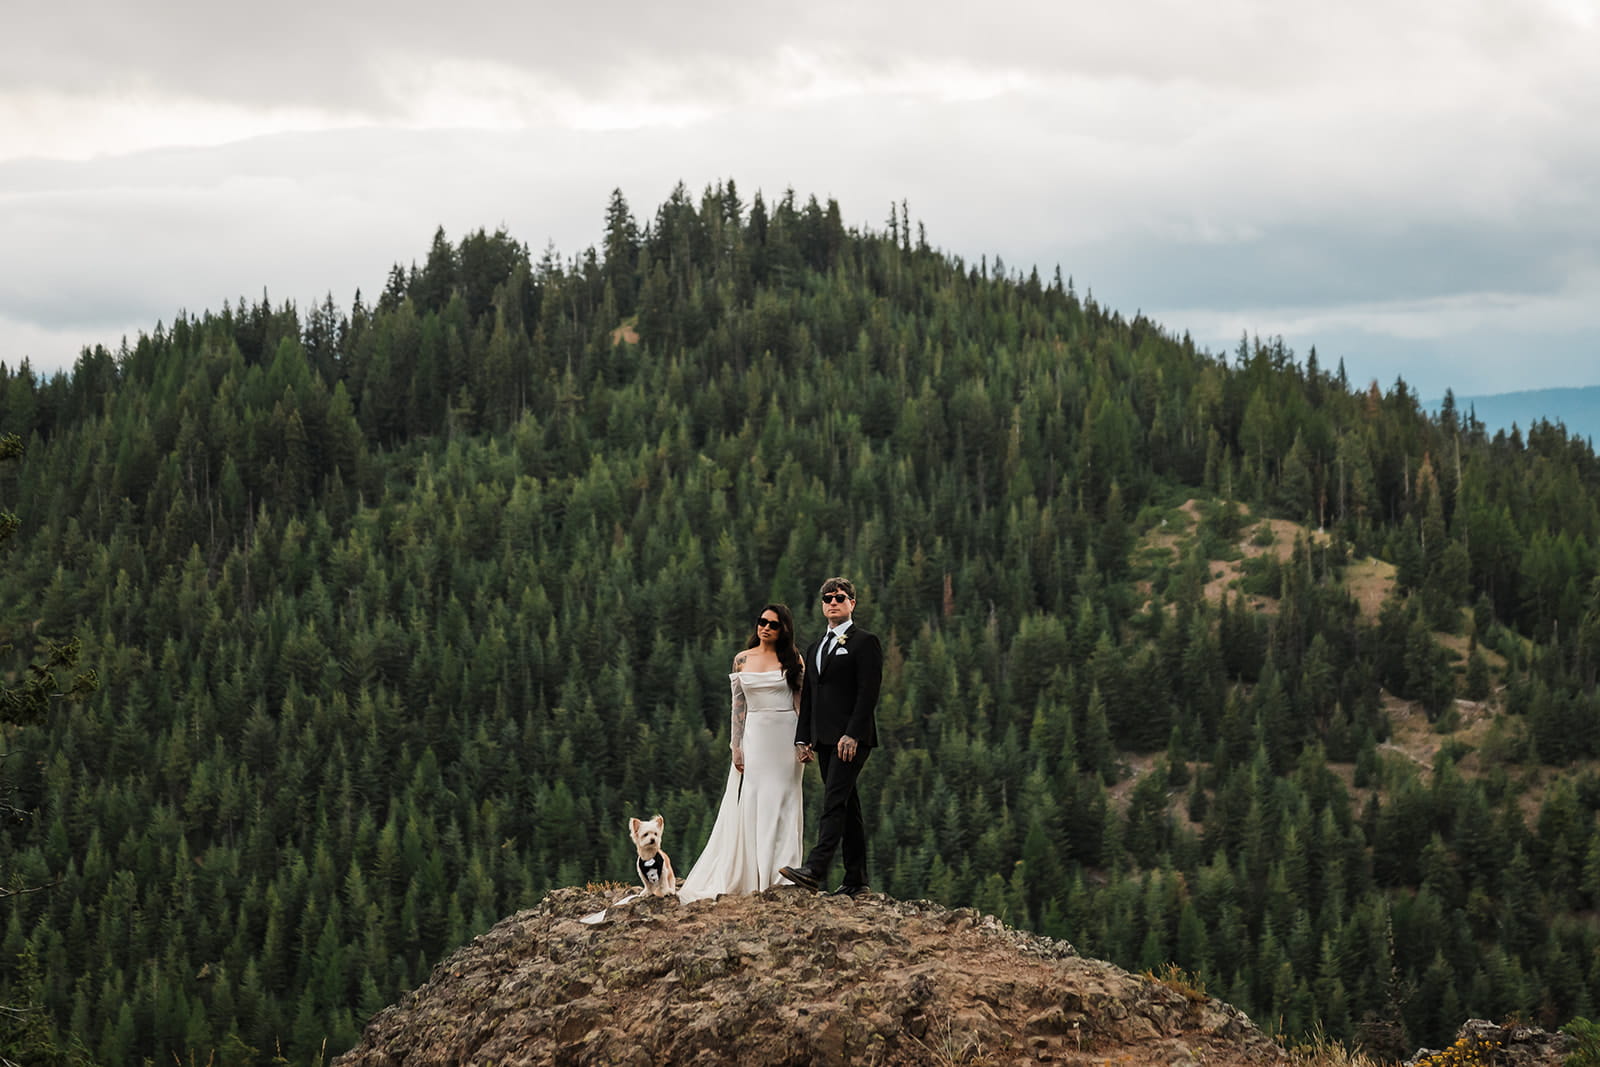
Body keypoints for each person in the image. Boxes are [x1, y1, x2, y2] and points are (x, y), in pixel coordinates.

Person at [677, 604, 807, 902]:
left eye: (773, 624)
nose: (765, 628)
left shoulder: (792, 660)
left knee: (785, 801)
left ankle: (782, 876)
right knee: (753, 800)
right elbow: (738, 706)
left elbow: (801, 703)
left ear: (783, 629)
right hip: (755, 736)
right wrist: (736, 747)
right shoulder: (742, 660)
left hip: (785, 733)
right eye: (762, 622)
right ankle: (754, 874)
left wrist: (804, 742)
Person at [781, 577, 882, 897]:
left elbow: (868, 693)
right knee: (848, 806)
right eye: (827, 598)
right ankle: (856, 879)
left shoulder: (865, 642)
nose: (833, 602)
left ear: (853, 603)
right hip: (824, 739)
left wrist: (852, 733)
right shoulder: (815, 648)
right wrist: (803, 739)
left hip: (852, 739)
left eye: (840, 597)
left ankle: (815, 869)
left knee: (834, 801)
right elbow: (808, 697)